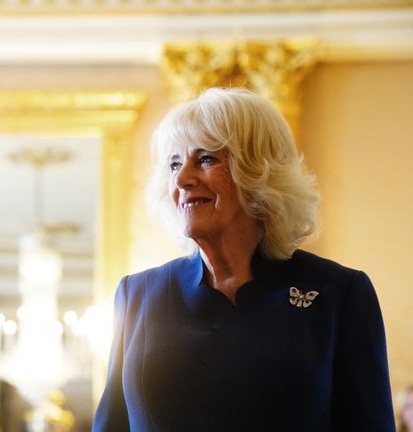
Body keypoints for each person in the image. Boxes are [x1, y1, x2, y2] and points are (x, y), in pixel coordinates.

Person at [92, 87, 395, 431]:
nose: (181, 178)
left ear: (258, 172)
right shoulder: (139, 295)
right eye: (174, 163)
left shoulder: (339, 293)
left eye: (205, 159)